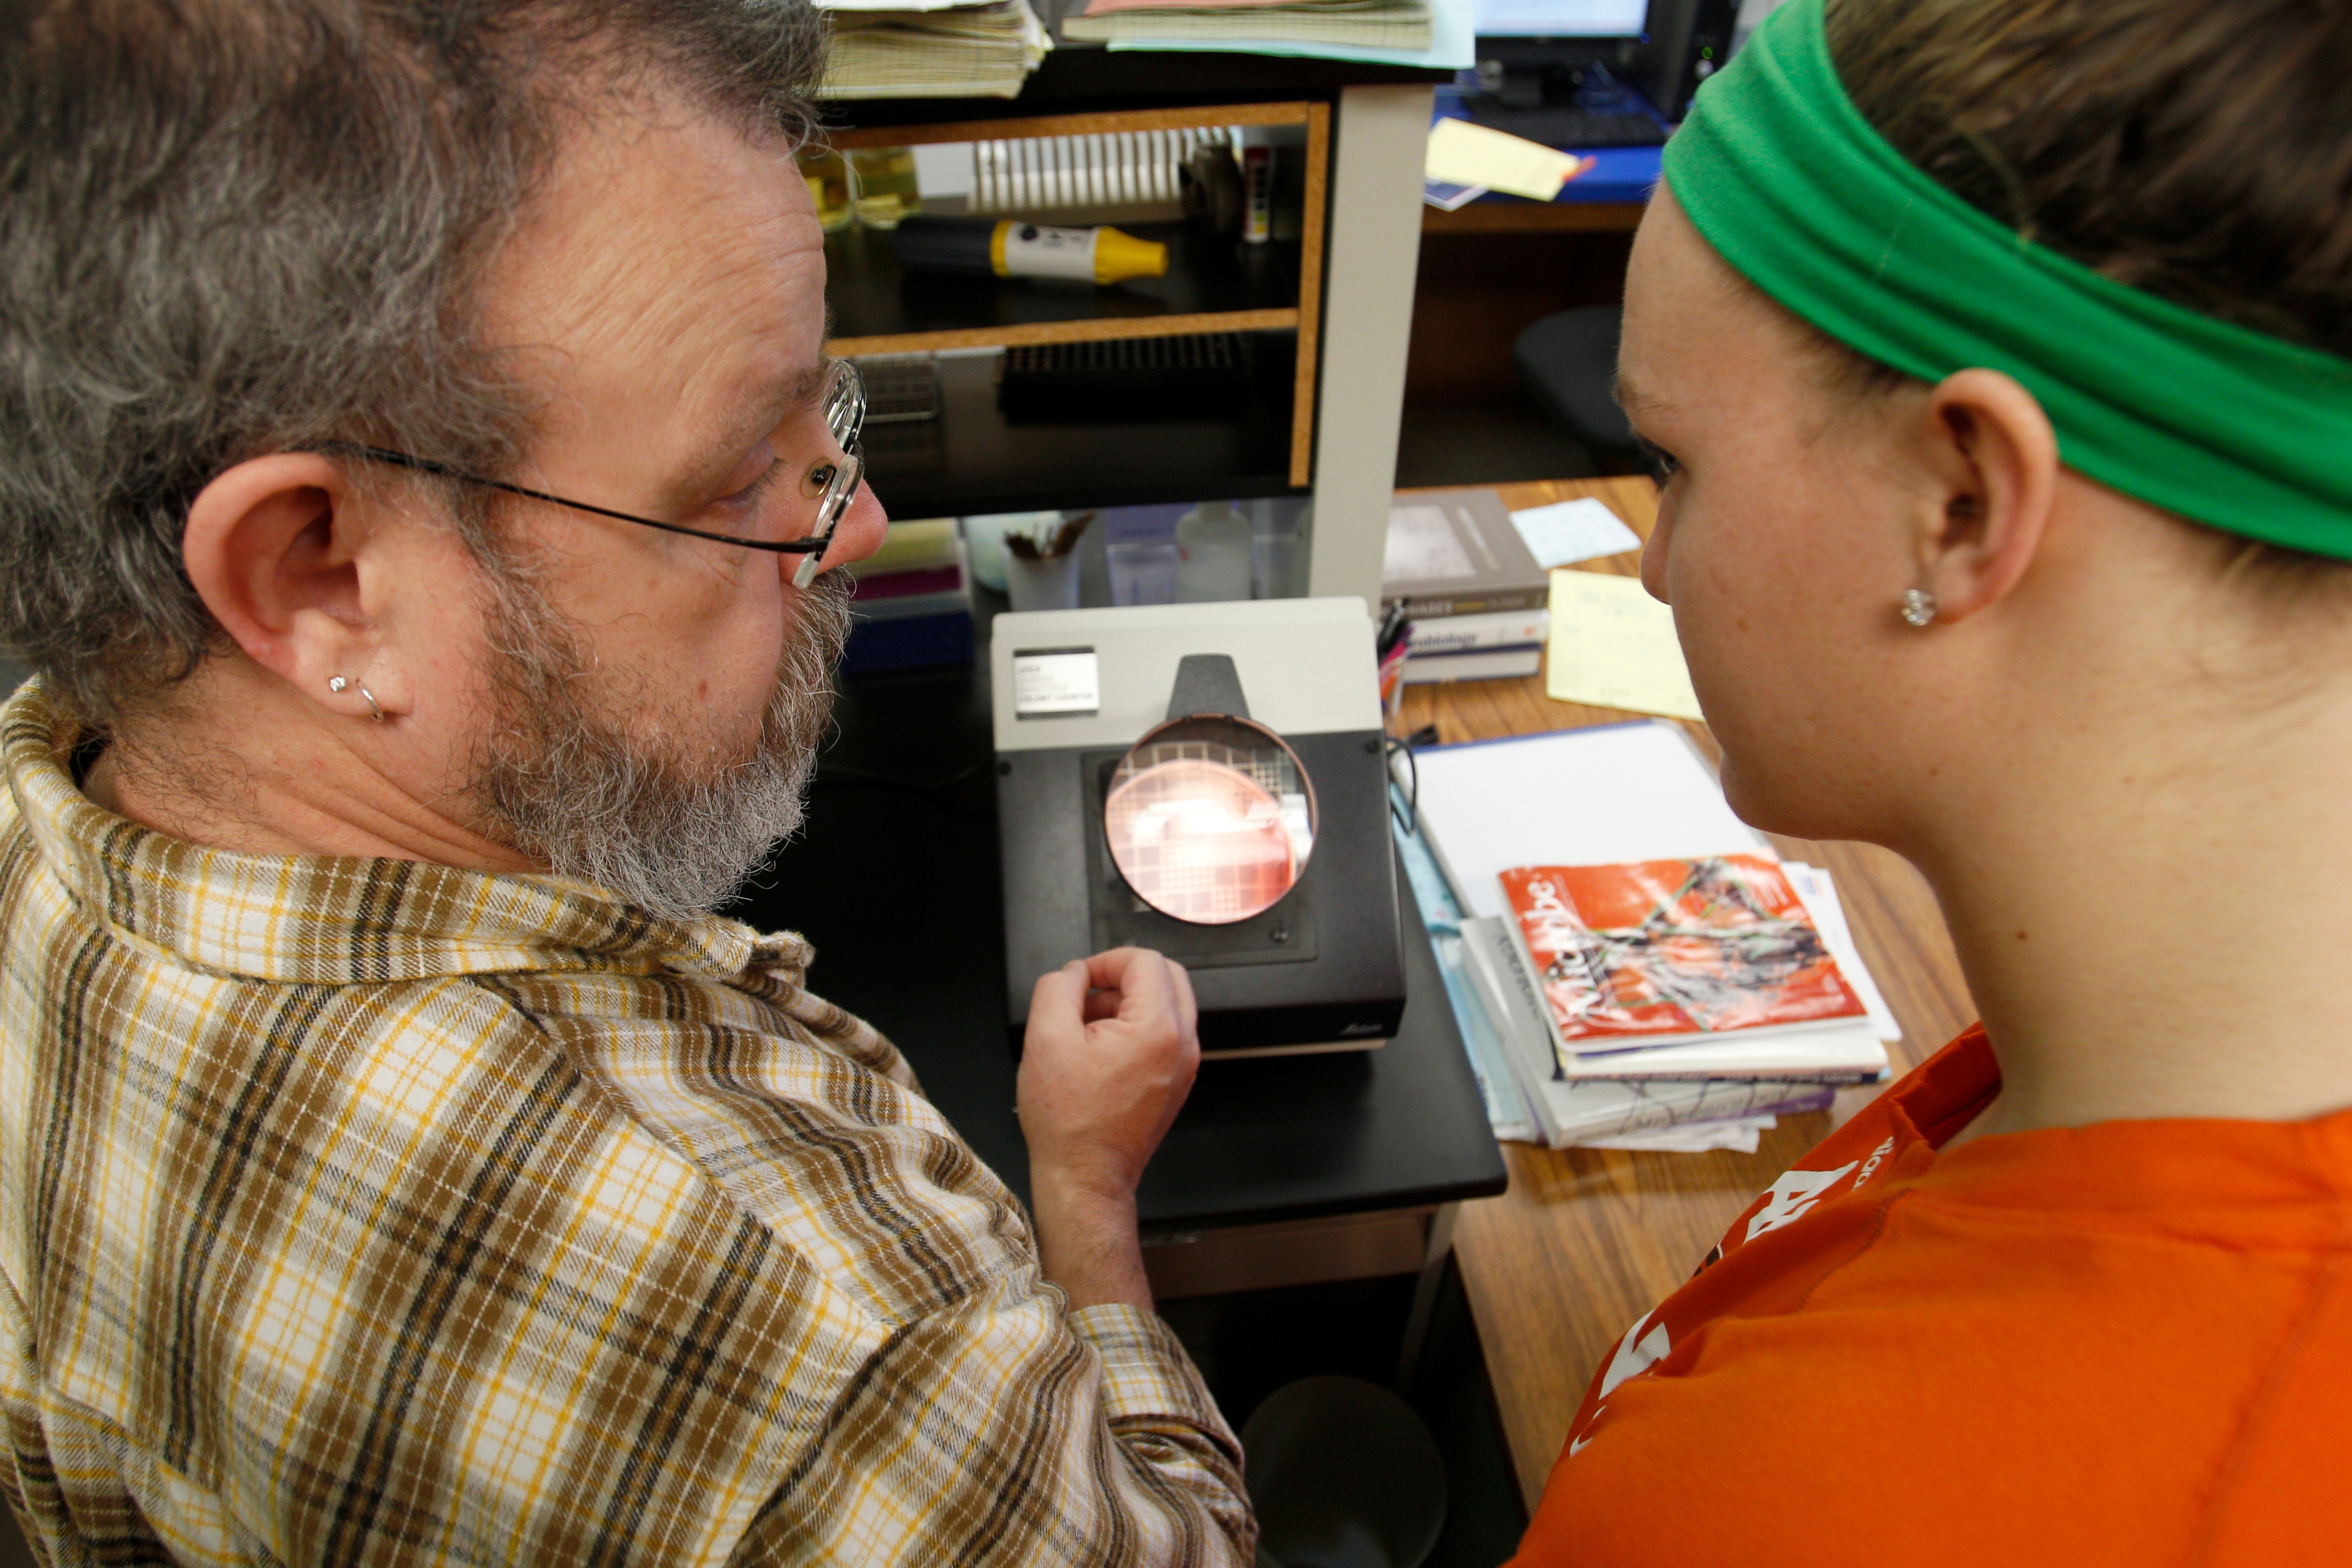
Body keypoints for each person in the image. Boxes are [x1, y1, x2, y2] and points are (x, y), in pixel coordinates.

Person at [0, 3, 1252, 1564]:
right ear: (319, 577)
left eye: (823, 416)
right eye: (739, 473)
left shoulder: (51, 796)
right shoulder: (836, 1360)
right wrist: (1084, 1195)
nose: (854, 525)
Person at [1510, 0, 2352, 1561]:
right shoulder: (2131, 1045)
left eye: (1671, 462)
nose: (1652, 554)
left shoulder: (1787, 1509)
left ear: (1961, 503)